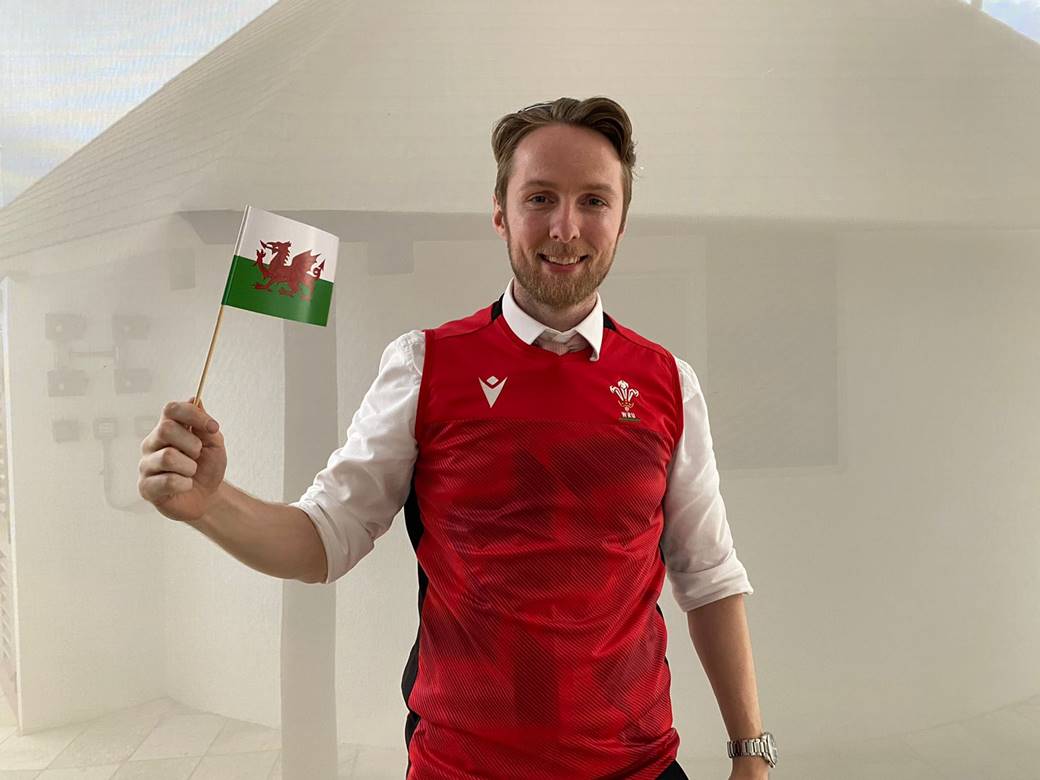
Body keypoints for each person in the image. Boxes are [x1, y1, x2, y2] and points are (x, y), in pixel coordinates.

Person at [138, 97, 775, 780]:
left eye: (594, 200)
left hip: (636, 768)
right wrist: (211, 503)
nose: (565, 227)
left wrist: (751, 755)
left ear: (621, 220)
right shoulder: (424, 365)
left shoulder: (668, 384)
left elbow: (709, 577)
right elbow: (324, 539)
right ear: (500, 212)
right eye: (540, 198)